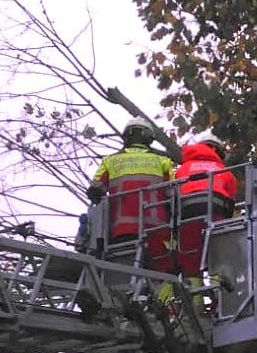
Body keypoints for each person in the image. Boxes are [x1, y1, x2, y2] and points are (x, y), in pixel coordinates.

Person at [93, 119, 176, 273]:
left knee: (121, 279)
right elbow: (173, 195)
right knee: (162, 279)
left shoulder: (110, 161)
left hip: (121, 231)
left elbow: (94, 190)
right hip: (157, 230)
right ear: (150, 138)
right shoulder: (163, 162)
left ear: (126, 137)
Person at [173, 132, 237, 280]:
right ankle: (220, 296)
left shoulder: (183, 168)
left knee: (191, 263)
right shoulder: (224, 171)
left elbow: (174, 191)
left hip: (187, 215)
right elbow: (231, 193)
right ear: (217, 151)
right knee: (221, 258)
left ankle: (194, 299)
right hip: (216, 213)